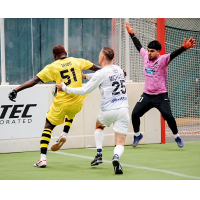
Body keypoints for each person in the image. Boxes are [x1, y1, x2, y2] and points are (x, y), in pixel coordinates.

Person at [8, 45, 101, 168]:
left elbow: (35, 80)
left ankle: (42, 159)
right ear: (65, 53)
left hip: (61, 103)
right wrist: (119, 71)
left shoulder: (52, 67)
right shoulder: (77, 61)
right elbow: (98, 69)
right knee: (71, 112)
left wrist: (16, 89)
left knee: (48, 126)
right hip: (77, 102)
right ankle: (64, 133)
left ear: (55, 56)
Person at [56, 47, 130, 174]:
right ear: (113, 58)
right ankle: (116, 157)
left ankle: (99, 154)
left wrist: (65, 88)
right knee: (120, 141)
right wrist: (85, 76)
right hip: (123, 110)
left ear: (102, 58)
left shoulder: (101, 73)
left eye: (99, 55)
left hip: (108, 110)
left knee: (99, 126)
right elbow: (102, 75)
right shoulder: (118, 69)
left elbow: (85, 90)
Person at [126, 22, 195, 148]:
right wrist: (131, 33)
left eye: (152, 51)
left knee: (168, 115)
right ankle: (137, 135)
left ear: (158, 52)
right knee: (135, 114)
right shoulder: (145, 57)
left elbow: (173, 54)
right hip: (147, 95)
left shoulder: (163, 60)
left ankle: (177, 136)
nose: (149, 53)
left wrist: (184, 48)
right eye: (148, 51)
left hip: (161, 95)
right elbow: (138, 46)